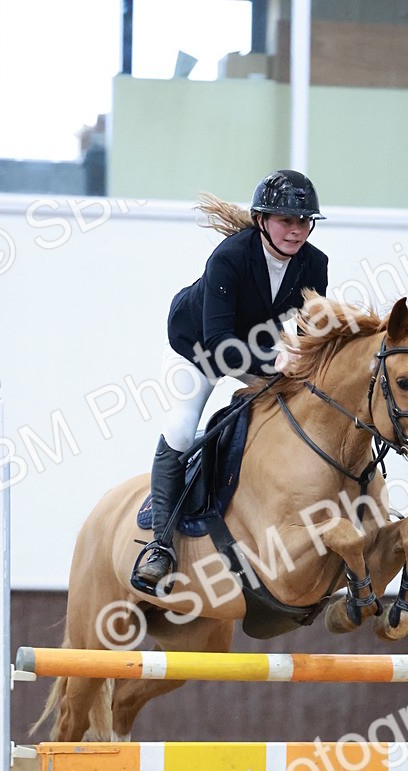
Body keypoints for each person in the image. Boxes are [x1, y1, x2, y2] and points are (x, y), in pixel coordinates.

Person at [133, 168, 329, 589]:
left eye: (304, 222)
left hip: (259, 350)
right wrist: (275, 357)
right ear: (262, 221)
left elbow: (312, 334)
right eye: (286, 221)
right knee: (183, 430)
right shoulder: (230, 257)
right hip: (199, 346)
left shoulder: (315, 264)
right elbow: (220, 344)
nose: (297, 232)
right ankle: (160, 545)